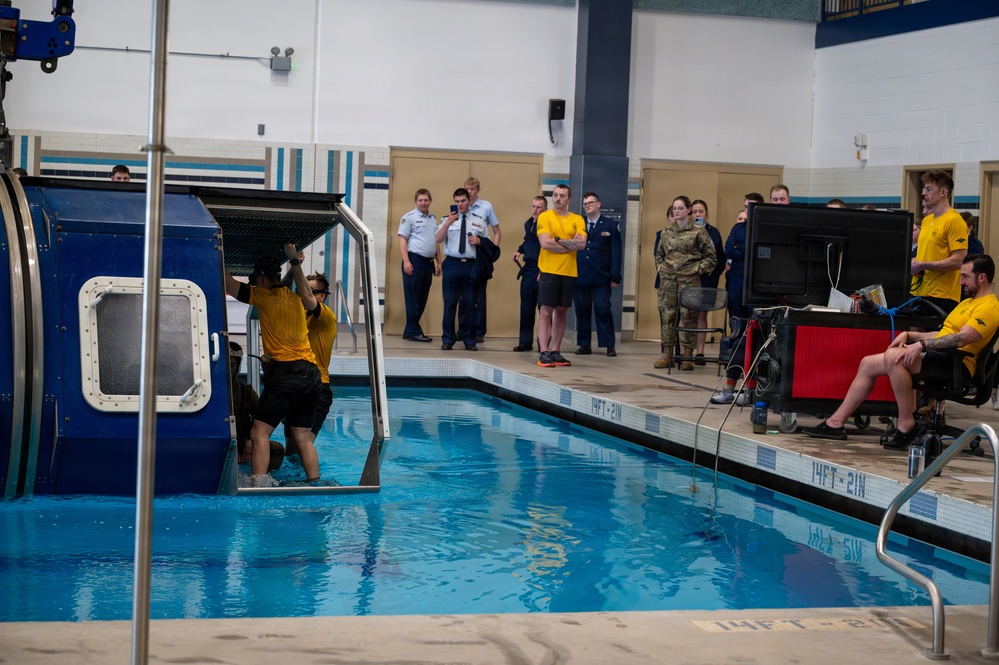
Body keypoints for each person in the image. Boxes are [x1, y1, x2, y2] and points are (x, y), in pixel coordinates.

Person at [801, 254, 999, 449]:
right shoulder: (967, 303)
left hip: (957, 364)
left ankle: (906, 425)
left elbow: (962, 338)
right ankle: (835, 423)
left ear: (981, 278)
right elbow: (944, 333)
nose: (960, 282)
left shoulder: (990, 307)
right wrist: (910, 336)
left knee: (895, 358)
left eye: (965, 276)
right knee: (867, 363)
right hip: (940, 355)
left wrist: (921, 346)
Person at [224, 244, 323, 484]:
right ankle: (315, 482)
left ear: (259, 279)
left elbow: (228, 284)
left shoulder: (263, 296)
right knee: (302, 437)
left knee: (260, 433)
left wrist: (217, 250)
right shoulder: (294, 298)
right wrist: (294, 264)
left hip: (287, 374)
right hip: (312, 376)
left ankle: (259, 483)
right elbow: (286, 284)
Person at [654, 196, 717, 370]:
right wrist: (660, 267)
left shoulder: (699, 231)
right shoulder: (666, 231)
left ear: (689, 210)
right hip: (669, 281)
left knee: (688, 316)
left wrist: (697, 269)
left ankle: (687, 355)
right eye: (675, 208)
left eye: (681, 208)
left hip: (689, 280)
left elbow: (711, 258)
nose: (677, 211)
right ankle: (667, 354)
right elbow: (659, 254)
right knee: (667, 316)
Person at [536, 184, 586, 368]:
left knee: (562, 311)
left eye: (562, 196)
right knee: (546, 312)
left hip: (569, 271)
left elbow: (581, 245)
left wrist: (557, 240)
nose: (557, 198)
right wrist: (569, 244)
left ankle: (555, 351)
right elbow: (545, 243)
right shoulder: (545, 216)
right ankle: (544, 352)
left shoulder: (578, 219)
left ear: (569, 199)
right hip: (549, 270)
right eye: (555, 195)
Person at [435, 187, 489, 351]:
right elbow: (437, 239)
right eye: (457, 201)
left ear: (469, 201)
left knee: (469, 304)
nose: (460, 204)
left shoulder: (478, 221)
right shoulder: (447, 219)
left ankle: (469, 340)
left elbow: (487, 243)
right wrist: (448, 223)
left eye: (463, 201)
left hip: (470, 265)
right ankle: (448, 339)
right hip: (452, 264)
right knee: (450, 303)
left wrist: (479, 242)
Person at [573, 192, 622, 357]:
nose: (587, 206)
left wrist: (615, 276)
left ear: (599, 204)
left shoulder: (609, 225)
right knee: (582, 311)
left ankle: (609, 344)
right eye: (585, 203)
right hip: (580, 275)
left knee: (603, 310)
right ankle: (584, 344)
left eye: (591, 203)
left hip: (601, 276)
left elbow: (616, 252)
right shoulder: (578, 223)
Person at [911, 170, 967, 315]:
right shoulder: (927, 220)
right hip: (919, 291)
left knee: (932, 337)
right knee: (912, 336)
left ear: (943, 192)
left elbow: (960, 261)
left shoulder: (954, 221)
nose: (924, 193)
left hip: (941, 296)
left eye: (929, 189)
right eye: (924, 189)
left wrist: (924, 264)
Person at [229, 341, 284, 471]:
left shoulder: (246, 393)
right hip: (221, 445)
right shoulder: (208, 394)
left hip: (243, 443)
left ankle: (264, 479)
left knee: (277, 450)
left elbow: (265, 422)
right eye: (224, 365)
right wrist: (231, 448)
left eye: (231, 365)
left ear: (237, 367)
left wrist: (250, 443)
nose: (227, 369)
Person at [397, 188, 441, 343]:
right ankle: (414, 331)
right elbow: (402, 240)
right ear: (416, 201)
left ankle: (410, 331)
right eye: (420, 200)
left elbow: (435, 242)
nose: (423, 203)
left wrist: (439, 261)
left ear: (430, 201)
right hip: (414, 261)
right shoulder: (409, 218)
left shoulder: (433, 219)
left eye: (426, 200)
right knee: (413, 298)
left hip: (428, 263)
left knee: (422, 298)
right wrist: (406, 261)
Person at [465, 177, 500, 343]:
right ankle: (463, 329)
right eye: (467, 189)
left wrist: (491, 253)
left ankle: (479, 331)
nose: (470, 192)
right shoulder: (460, 206)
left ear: (478, 190)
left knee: (479, 297)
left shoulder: (486, 207)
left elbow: (497, 232)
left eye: (472, 189)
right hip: (464, 255)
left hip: (479, 255)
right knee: (462, 296)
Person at [690, 199, 725, 365]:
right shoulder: (687, 231)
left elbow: (720, 257)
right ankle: (685, 351)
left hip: (707, 279)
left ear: (706, 213)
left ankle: (700, 352)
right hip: (689, 279)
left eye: (701, 211)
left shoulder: (714, 232)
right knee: (687, 314)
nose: (698, 214)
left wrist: (715, 273)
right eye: (695, 211)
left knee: (702, 314)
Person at [512, 195, 546, 352]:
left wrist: (543, 270)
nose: (535, 210)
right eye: (533, 206)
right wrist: (519, 250)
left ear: (545, 209)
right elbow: (527, 240)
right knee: (526, 307)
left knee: (543, 309)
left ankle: (543, 344)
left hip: (542, 269)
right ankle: (525, 342)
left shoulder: (547, 225)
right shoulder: (529, 223)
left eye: (539, 207)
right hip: (529, 269)